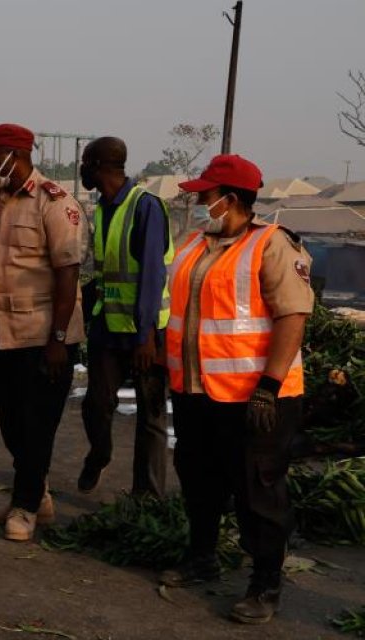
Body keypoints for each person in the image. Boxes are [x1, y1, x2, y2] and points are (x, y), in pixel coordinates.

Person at [158, 155, 312, 625]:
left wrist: (268, 386)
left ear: (232, 198)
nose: (200, 201)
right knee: (200, 480)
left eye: (207, 194)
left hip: (256, 399)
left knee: (258, 492)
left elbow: (292, 316)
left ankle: (265, 585)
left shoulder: (273, 245)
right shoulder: (193, 244)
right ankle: (202, 556)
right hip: (197, 391)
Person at [0, 124, 87, 542]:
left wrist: (57, 341)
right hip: (6, 333)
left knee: (37, 425)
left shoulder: (54, 203)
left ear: (12, 155)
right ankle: (35, 493)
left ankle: (24, 507)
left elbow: (68, 274)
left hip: (45, 338)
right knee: (12, 423)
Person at [78, 137, 172, 497]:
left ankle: (146, 498)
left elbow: (152, 274)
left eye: (85, 161)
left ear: (99, 164)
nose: (82, 168)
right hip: (108, 327)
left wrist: (146, 335)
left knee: (150, 417)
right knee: (96, 405)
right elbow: (105, 275)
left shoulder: (145, 207)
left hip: (145, 332)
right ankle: (100, 453)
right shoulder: (103, 208)